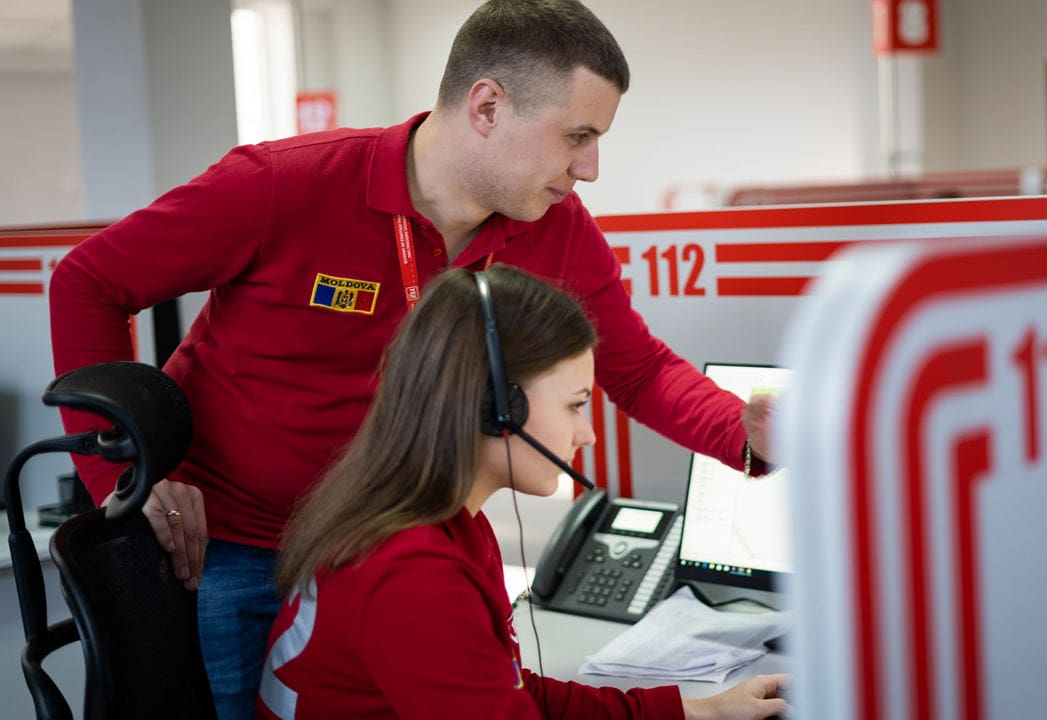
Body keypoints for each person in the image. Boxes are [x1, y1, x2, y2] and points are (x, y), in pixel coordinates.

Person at [48, 0, 773, 716]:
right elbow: (87, 283)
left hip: (388, 544)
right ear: (487, 107)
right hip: (237, 549)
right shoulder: (284, 184)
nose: (590, 167)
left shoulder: (555, 227)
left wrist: (747, 431)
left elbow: (638, 369)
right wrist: (124, 476)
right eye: (576, 136)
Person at [257, 265, 787, 719]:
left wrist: (692, 710)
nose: (587, 434)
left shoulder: (444, 524)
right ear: (497, 407)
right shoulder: (414, 571)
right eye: (575, 404)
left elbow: (511, 693)